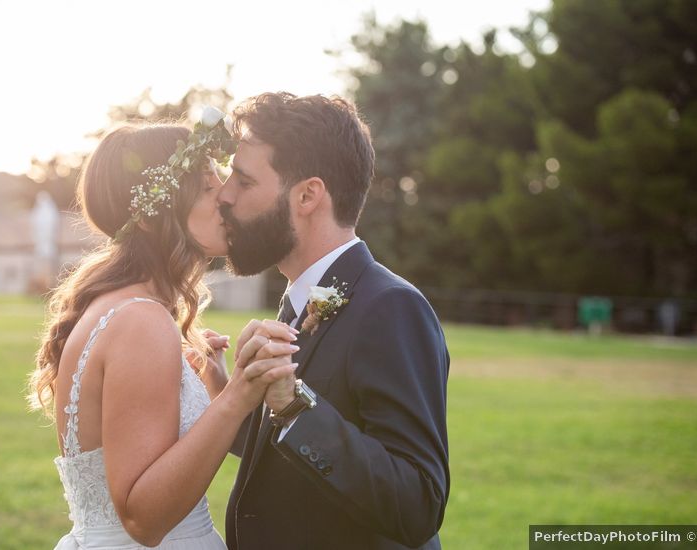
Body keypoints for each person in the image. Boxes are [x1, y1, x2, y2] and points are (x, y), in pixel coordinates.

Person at [27, 110, 297, 549]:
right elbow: (144, 519)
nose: (226, 197)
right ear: (154, 217)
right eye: (209, 188)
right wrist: (235, 398)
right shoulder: (140, 320)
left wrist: (212, 382)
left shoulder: (123, 308)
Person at [219, 92, 451, 549]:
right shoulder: (301, 300)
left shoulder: (391, 308)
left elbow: (418, 501)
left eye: (243, 182)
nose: (225, 195)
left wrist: (293, 404)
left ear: (307, 195)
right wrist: (227, 392)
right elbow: (295, 456)